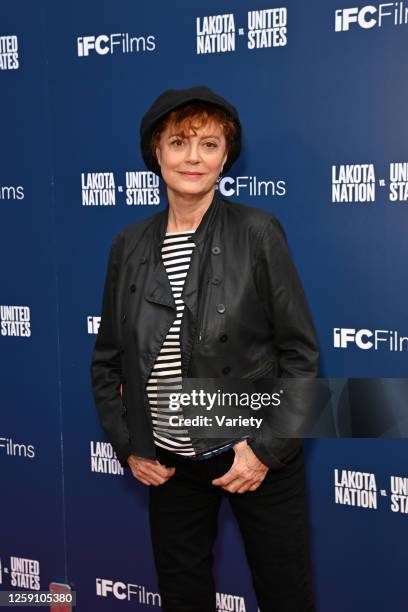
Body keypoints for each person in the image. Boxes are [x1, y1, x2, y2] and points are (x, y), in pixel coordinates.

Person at [91, 85, 319, 612]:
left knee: (286, 596)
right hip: (169, 464)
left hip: (251, 453)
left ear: (225, 157)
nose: (193, 157)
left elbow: (300, 354)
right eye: (179, 143)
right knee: (182, 596)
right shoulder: (129, 243)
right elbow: (108, 357)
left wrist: (263, 451)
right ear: (156, 152)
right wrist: (130, 442)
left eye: (209, 145)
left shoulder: (258, 232)